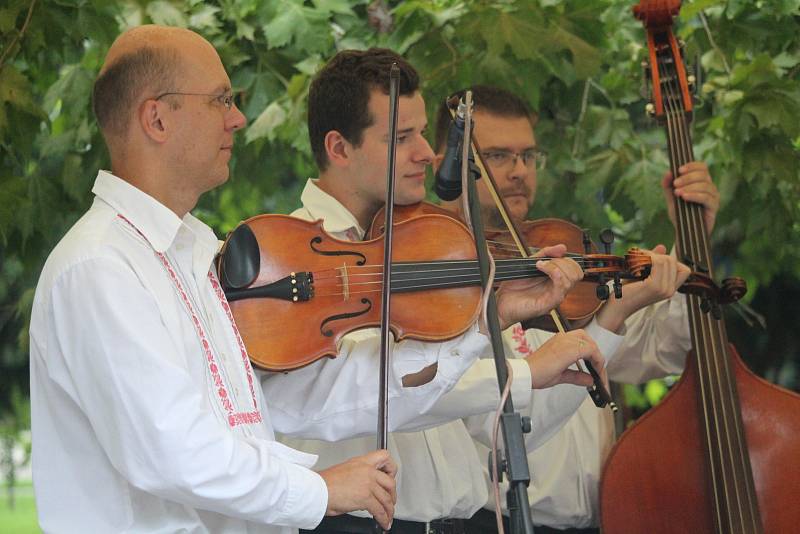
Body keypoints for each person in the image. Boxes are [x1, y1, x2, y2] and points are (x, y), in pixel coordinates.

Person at [27, 27, 603, 534]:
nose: (237, 117)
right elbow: (169, 450)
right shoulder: (101, 265)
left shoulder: (190, 256)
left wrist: (483, 321)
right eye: (221, 99)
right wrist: (322, 490)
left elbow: (300, 399)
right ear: (157, 119)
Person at [272, 48, 639, 534]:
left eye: (422, 132)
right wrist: (525, 371)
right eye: (402, 138)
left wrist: (510, 329)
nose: (427, 153)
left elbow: (497, 436)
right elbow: (380, 389)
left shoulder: (424, 246)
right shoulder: (293, 261)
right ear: (339, 148)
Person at [430, 85, 719, 533]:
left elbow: (661, 350)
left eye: (528, 156)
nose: (519, 171)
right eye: (499, 156)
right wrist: (612, 318)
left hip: (598, 520)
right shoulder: (437, 281)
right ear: (449, 162)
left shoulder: (555, 258)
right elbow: (501, 432)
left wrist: (692, 240)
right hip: (495, 522)